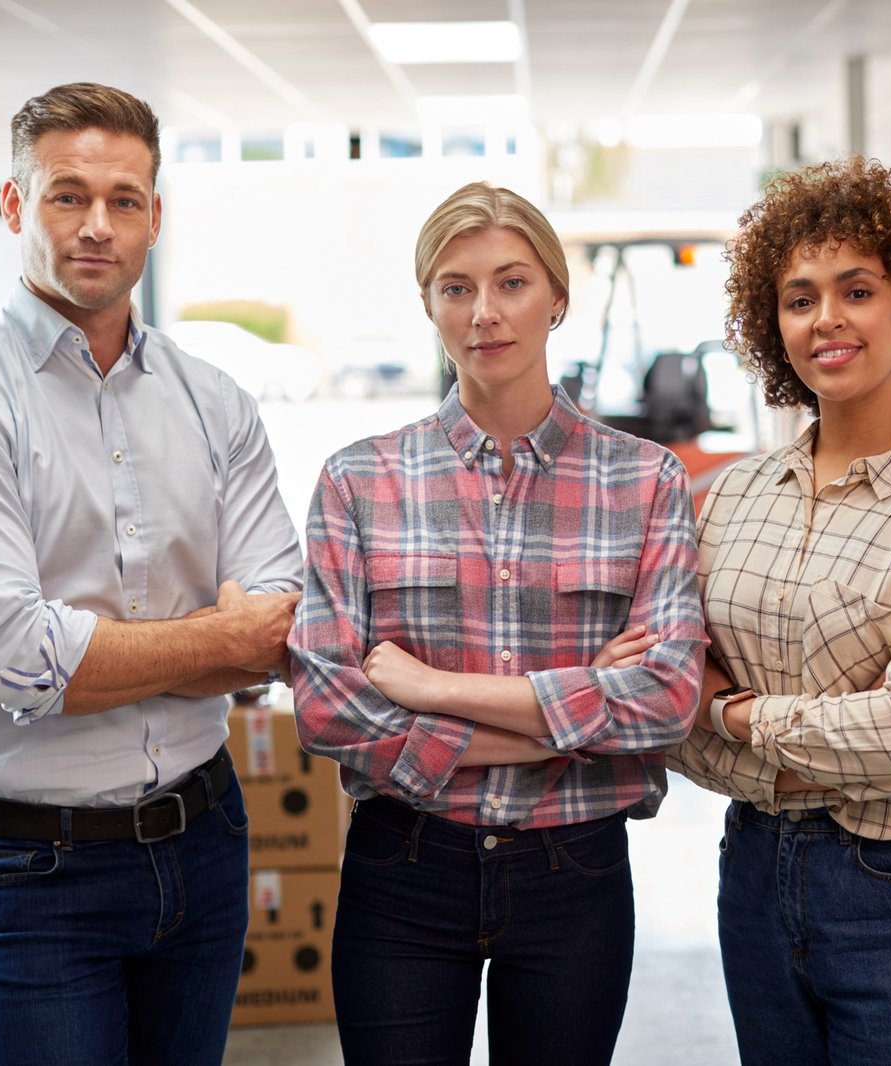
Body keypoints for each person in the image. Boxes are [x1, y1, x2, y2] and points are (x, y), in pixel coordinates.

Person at [0, 83, 303, 1066]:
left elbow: (280, 625)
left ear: (155, 216)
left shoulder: (217, 403)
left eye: (124, 199)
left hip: (204, 839)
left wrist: (71, 653)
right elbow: (12, 659)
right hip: (34, 868)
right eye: (68, 195)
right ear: (16, 205)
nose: (97, 226)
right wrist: (218, 638)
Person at [289, 181, 707, 1066]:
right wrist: (572, 719)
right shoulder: (359, 482)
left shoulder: (646, 481)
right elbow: (328, 708)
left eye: (512, 282)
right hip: (404, 868)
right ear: (429, 304)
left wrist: (431, 690)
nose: (485, 312)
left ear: (557, 295)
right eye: (455, 287)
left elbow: (666, 703)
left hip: (576, 875)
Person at [668, 156, 891, 1066]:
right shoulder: (731, 498)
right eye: (799, 297)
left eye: (856, 290)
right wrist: (741, 732)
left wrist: (737, 712)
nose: (826, 318)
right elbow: (665, 698)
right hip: (754, 874)